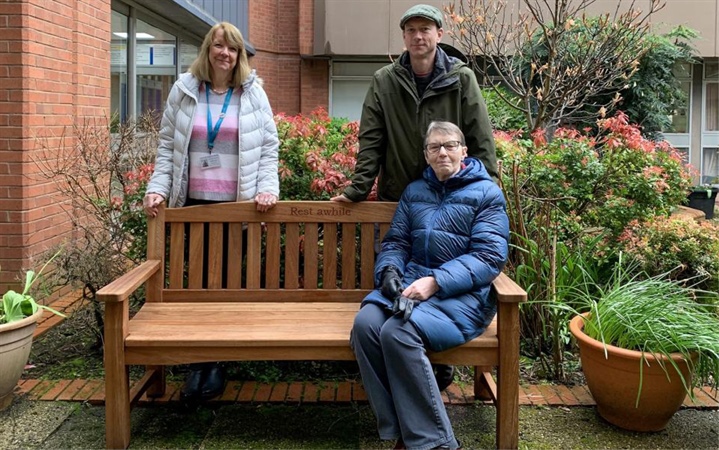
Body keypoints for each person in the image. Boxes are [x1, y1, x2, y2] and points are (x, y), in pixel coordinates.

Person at [142, 21, 280, 404]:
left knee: (226, 287)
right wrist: (157, 189)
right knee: (194, 286)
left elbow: (269, 146)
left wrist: (268, 188)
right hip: (193, 206)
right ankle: (196, 364)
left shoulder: (253, 93)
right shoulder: (185, 91)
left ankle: (216, 363)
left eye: (233, 48)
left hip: (237, 206)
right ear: (208, 50)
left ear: (239, 56)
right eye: (219, 45)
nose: (225, 53)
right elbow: (167, 146)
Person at [350, 121, 509, 450]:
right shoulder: (415, 192)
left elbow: (489, 256)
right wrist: (390, 272)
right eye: (435, 147)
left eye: (450, 145)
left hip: (463, 296)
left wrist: (436, 281)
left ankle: (437, 442)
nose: (443, 153)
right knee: (365, 325)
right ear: (426, 155)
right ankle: (405, 432)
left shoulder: (486, 194)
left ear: (464, 151)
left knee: (397, 332)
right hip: (410, 288)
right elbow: (396, 242)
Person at [331, 4, 497, 205]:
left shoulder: (461, 78)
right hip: (397, 198)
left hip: (451, 197)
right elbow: (371, 140)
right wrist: (358, 189)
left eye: (425, 29)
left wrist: (488, 188)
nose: (418, 36)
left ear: (439, 34)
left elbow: (480, 137)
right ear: (404, 37)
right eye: (411, 30)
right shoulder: (384, 80)